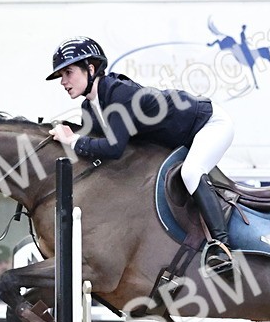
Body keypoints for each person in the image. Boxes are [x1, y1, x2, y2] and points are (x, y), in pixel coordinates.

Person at [45, 36, 235, 275]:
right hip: (182, 138)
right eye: (61, 76)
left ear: (90, 68)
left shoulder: (119, 94)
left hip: (209, 124)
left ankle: (221, 246)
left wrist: (73, 140)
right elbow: (96, 152)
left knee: (191, 172)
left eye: (68, 73)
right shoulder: (89, 108)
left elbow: (113, 148)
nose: (63, 81)